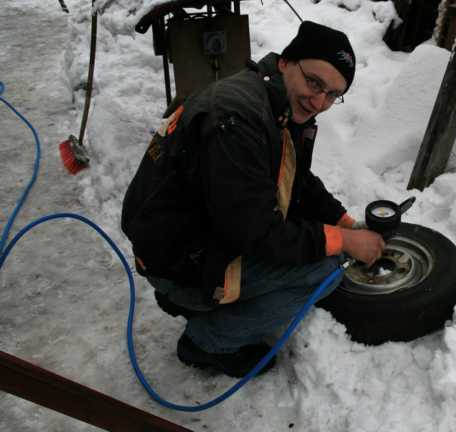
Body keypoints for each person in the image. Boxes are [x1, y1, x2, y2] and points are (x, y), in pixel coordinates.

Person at [121, 21, 385, 377]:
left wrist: (345, 224)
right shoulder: (239, 119)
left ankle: (188, 298)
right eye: (314, 82)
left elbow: (299, 181)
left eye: (332, 94)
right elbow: (257, 234)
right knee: (327, 270)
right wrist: (345, 243)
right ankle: (207, 341)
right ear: (285, 62)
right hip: (178, 259)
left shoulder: (275, 103)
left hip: (182, 240)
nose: (320, 101)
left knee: (320, 240)